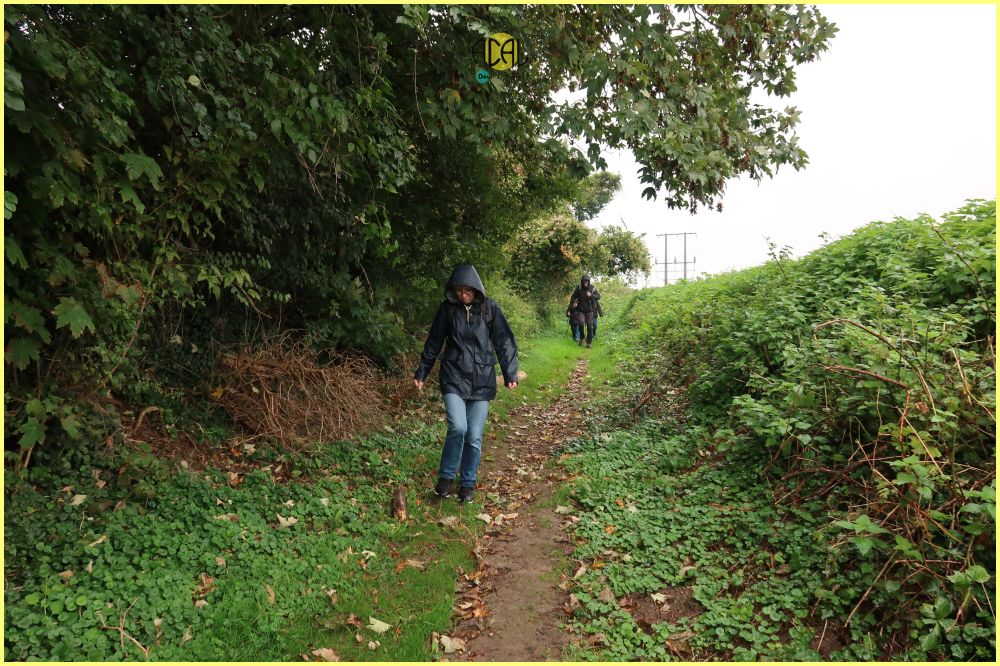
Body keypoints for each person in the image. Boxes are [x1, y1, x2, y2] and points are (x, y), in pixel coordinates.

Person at [413, 265, 519, 503]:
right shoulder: (448, 309)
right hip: (453, 375)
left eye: (467, 290)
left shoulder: (490, 309)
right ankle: (445, 480)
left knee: (473, 436)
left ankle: (467, 484)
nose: (463, 295)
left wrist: (510, 373)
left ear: (476, 289)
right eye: (459, 290)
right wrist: (422, 372)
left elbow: (504, 341)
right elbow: (434, 342)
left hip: (482, 379)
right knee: (458, 427)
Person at [569, 274, 601, 348]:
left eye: (586, 282)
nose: (585, 283)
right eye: (584, 281)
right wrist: (573, 303)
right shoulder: (579, 288)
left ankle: (589, 342)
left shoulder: (592, 288)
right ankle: (582, 338)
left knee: (590, 326)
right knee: (581, 324)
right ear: (582, 282)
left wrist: (591, 295)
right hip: (581, 310)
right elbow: (573, 296)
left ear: (589, 282)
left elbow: (598, 296)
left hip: (590, 310)